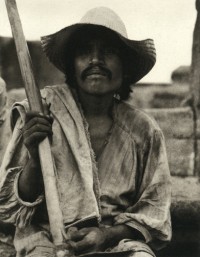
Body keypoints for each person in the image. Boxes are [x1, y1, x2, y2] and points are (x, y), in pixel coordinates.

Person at [0, 6, 171, 257]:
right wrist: (35, 159)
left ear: (125, 67)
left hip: (117, 243)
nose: (95, 60)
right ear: (72, 65)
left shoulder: (144, 130)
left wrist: (105, 235)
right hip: (48, 240)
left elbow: (154, 213)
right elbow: (9, 206)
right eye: (84, 52)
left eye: (108, 52)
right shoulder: (41, 111)